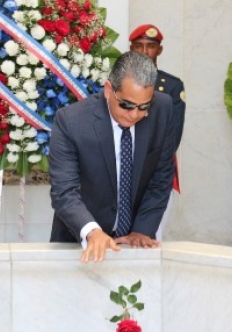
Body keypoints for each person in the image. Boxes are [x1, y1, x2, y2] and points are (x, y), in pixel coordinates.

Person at [49, 51, 175, 263]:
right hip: (80, 244)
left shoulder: (163, 108)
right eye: (126, 105)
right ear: (109, 90)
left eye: (144, 107)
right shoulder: (71, 121)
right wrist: (92, 231)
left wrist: (142, 230)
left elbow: (161, 176)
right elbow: (64, 191)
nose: (134, 114)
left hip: (135, 243)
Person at [129, 24, 185, 240]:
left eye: (150, 46)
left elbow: (173, 137)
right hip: (121, 167)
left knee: (150, 236)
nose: (144, 52)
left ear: (159, 50)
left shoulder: (171, 86)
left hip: (155, 172)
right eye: (139, 46)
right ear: (131, 48)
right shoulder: (118, 82)